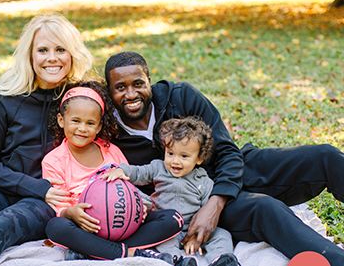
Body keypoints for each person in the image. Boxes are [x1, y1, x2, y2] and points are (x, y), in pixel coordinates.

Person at [104, 51, 344, 266]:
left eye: (138, 84)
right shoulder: (110, 133)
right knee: (265, 208)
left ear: (149, 81)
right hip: (192, 204)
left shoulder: (180, 97)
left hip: (231, 171)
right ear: (109, 91)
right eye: (120, 88)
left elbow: (228, 150)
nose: (131, 94)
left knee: (325, 156)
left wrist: (216, 202)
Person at [0, 14, 93, 266]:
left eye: (60, 49)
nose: (52, 58)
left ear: (72, 54)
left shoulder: (81, 101)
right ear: (30, 55)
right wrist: (37, 187)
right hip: (1, 191)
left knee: (0, 226)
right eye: (43, 50)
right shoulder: (3, 98)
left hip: (46, 203)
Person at [43, 81, 196, 266]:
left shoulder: (110, 150)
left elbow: (129, 184)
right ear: (61, 120)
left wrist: (140, 206)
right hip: (86, 226)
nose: (82, 128)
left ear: (99, 126)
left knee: (173, 218)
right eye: (75, 121)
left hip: (124, 222)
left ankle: (94, 251)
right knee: (55, 227)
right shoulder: (54, 160)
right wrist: (70, 212)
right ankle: (127, 252)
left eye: (90, 123)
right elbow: (58, 203)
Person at [104, 116, 241, 266]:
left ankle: (221, 260)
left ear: (199, 158)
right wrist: (121, 170)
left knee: (222, 235)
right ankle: (179, 261)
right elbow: (138, 173)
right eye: (170, 153)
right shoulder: (158, 168)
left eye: (184, 156)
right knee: (164, 242)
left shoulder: (203, 180)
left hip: (192, 227)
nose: (175, 161)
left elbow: (206, 211)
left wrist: (196, 237)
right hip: (166, 227)